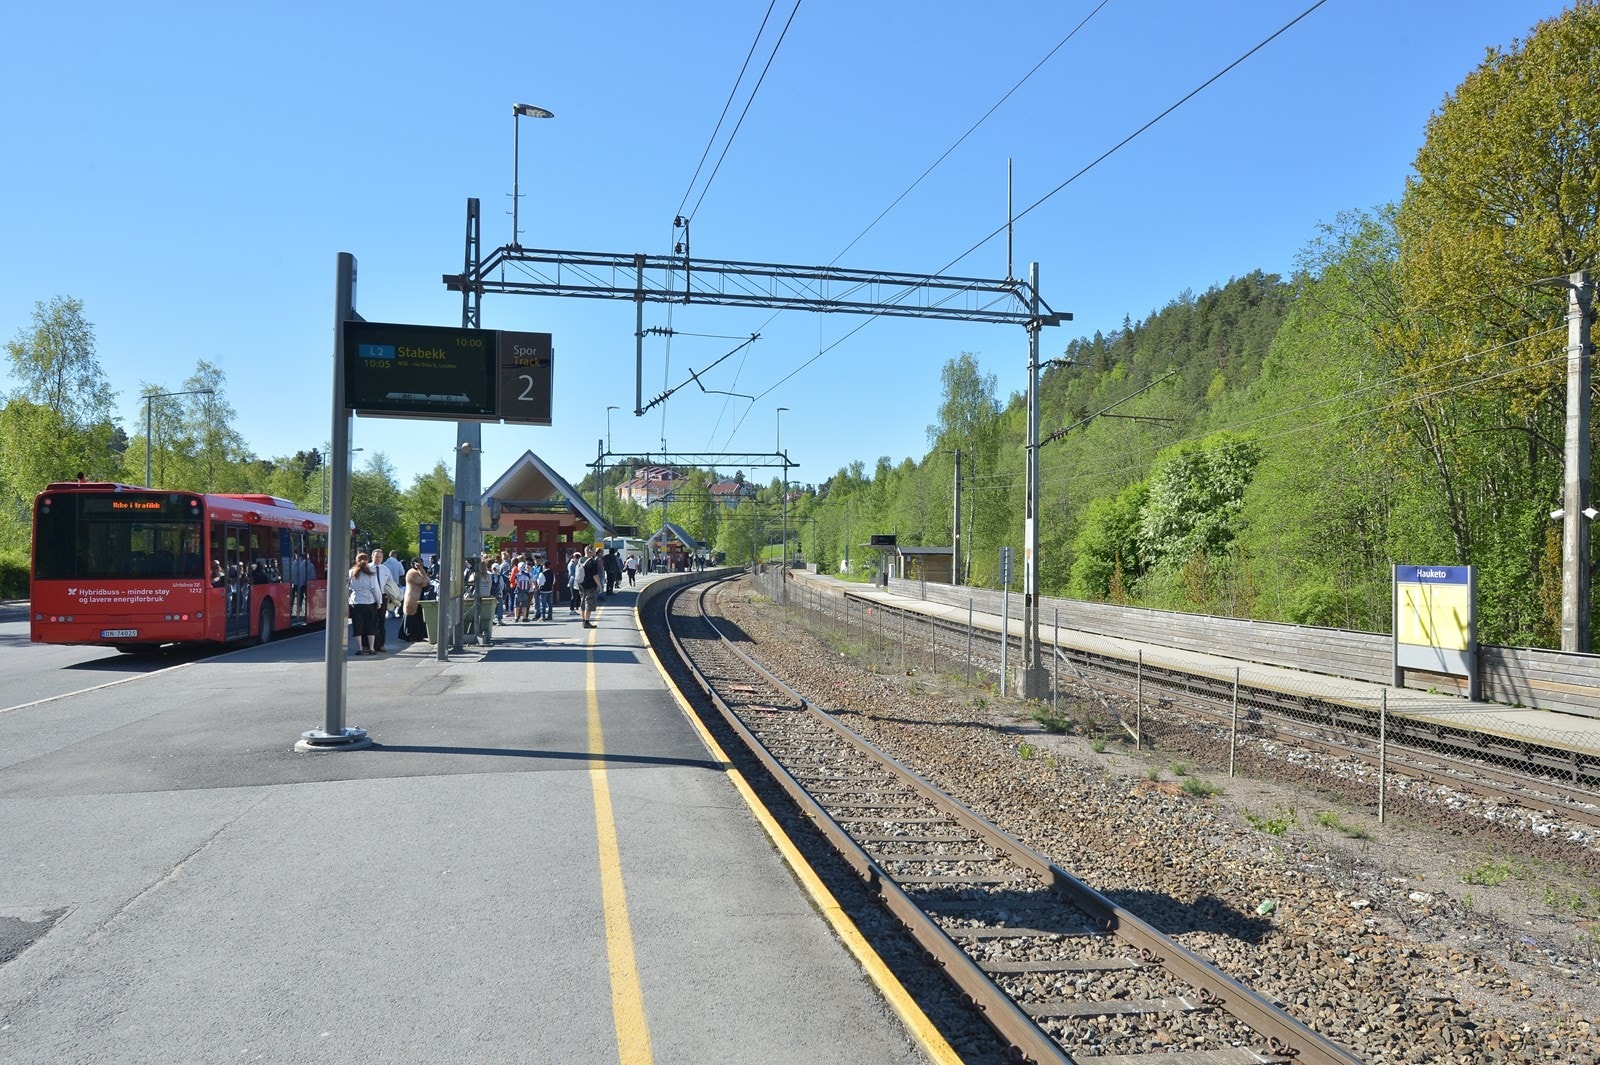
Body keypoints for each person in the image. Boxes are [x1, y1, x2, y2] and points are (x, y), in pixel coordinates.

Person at [348, 552, 383, 655]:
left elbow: (347, 587)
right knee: (371, 625)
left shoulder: (351, 572)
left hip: (356, 602)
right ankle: (371, 648)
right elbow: (375, 588)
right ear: (367, 560)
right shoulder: (371, 572)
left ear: (356, 560)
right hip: (369, 601)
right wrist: (379, 602)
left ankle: (360, 648)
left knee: (357, 626)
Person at [400, 557, 429, 643]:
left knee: (419, 617)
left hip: (418, 596)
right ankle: (409, 634)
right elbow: (423, 582)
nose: (422, 565)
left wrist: (421, 571)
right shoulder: (412, 572)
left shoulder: (418, 572)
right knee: (411, 617)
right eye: (420, 563)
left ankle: (418, 635)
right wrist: (421, 570)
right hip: (412, 598)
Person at [578, 545, 602, 629]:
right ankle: (587, 622)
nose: (595, 552)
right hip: (590, 585)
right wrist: (600, 586)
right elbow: (595, 575)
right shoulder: (592, 562)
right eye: (594, 551)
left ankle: (583, 621)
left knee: (582, 603)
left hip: (581, 584)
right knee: (589, 603)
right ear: (589, 551)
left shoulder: (580, 560)